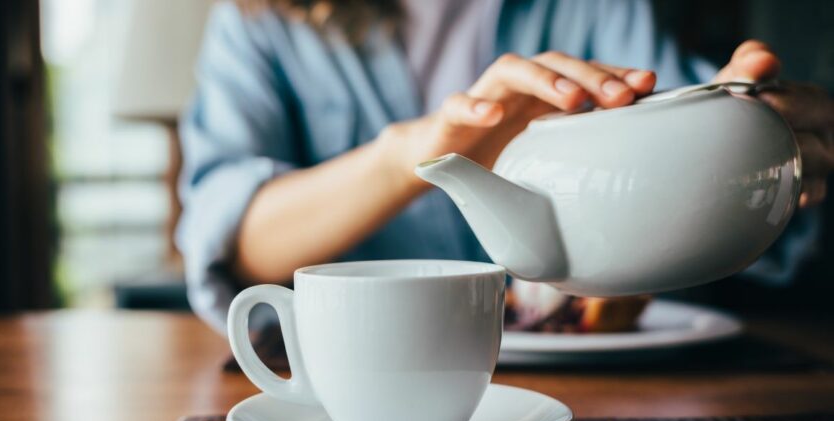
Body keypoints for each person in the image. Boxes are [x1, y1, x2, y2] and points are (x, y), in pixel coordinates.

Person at [179, 0, 833, 333]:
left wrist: (754, 134)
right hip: (369, 378)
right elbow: (234, 239)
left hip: (611, 397)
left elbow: (688, 132)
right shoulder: (261, 19)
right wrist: (416, 153)